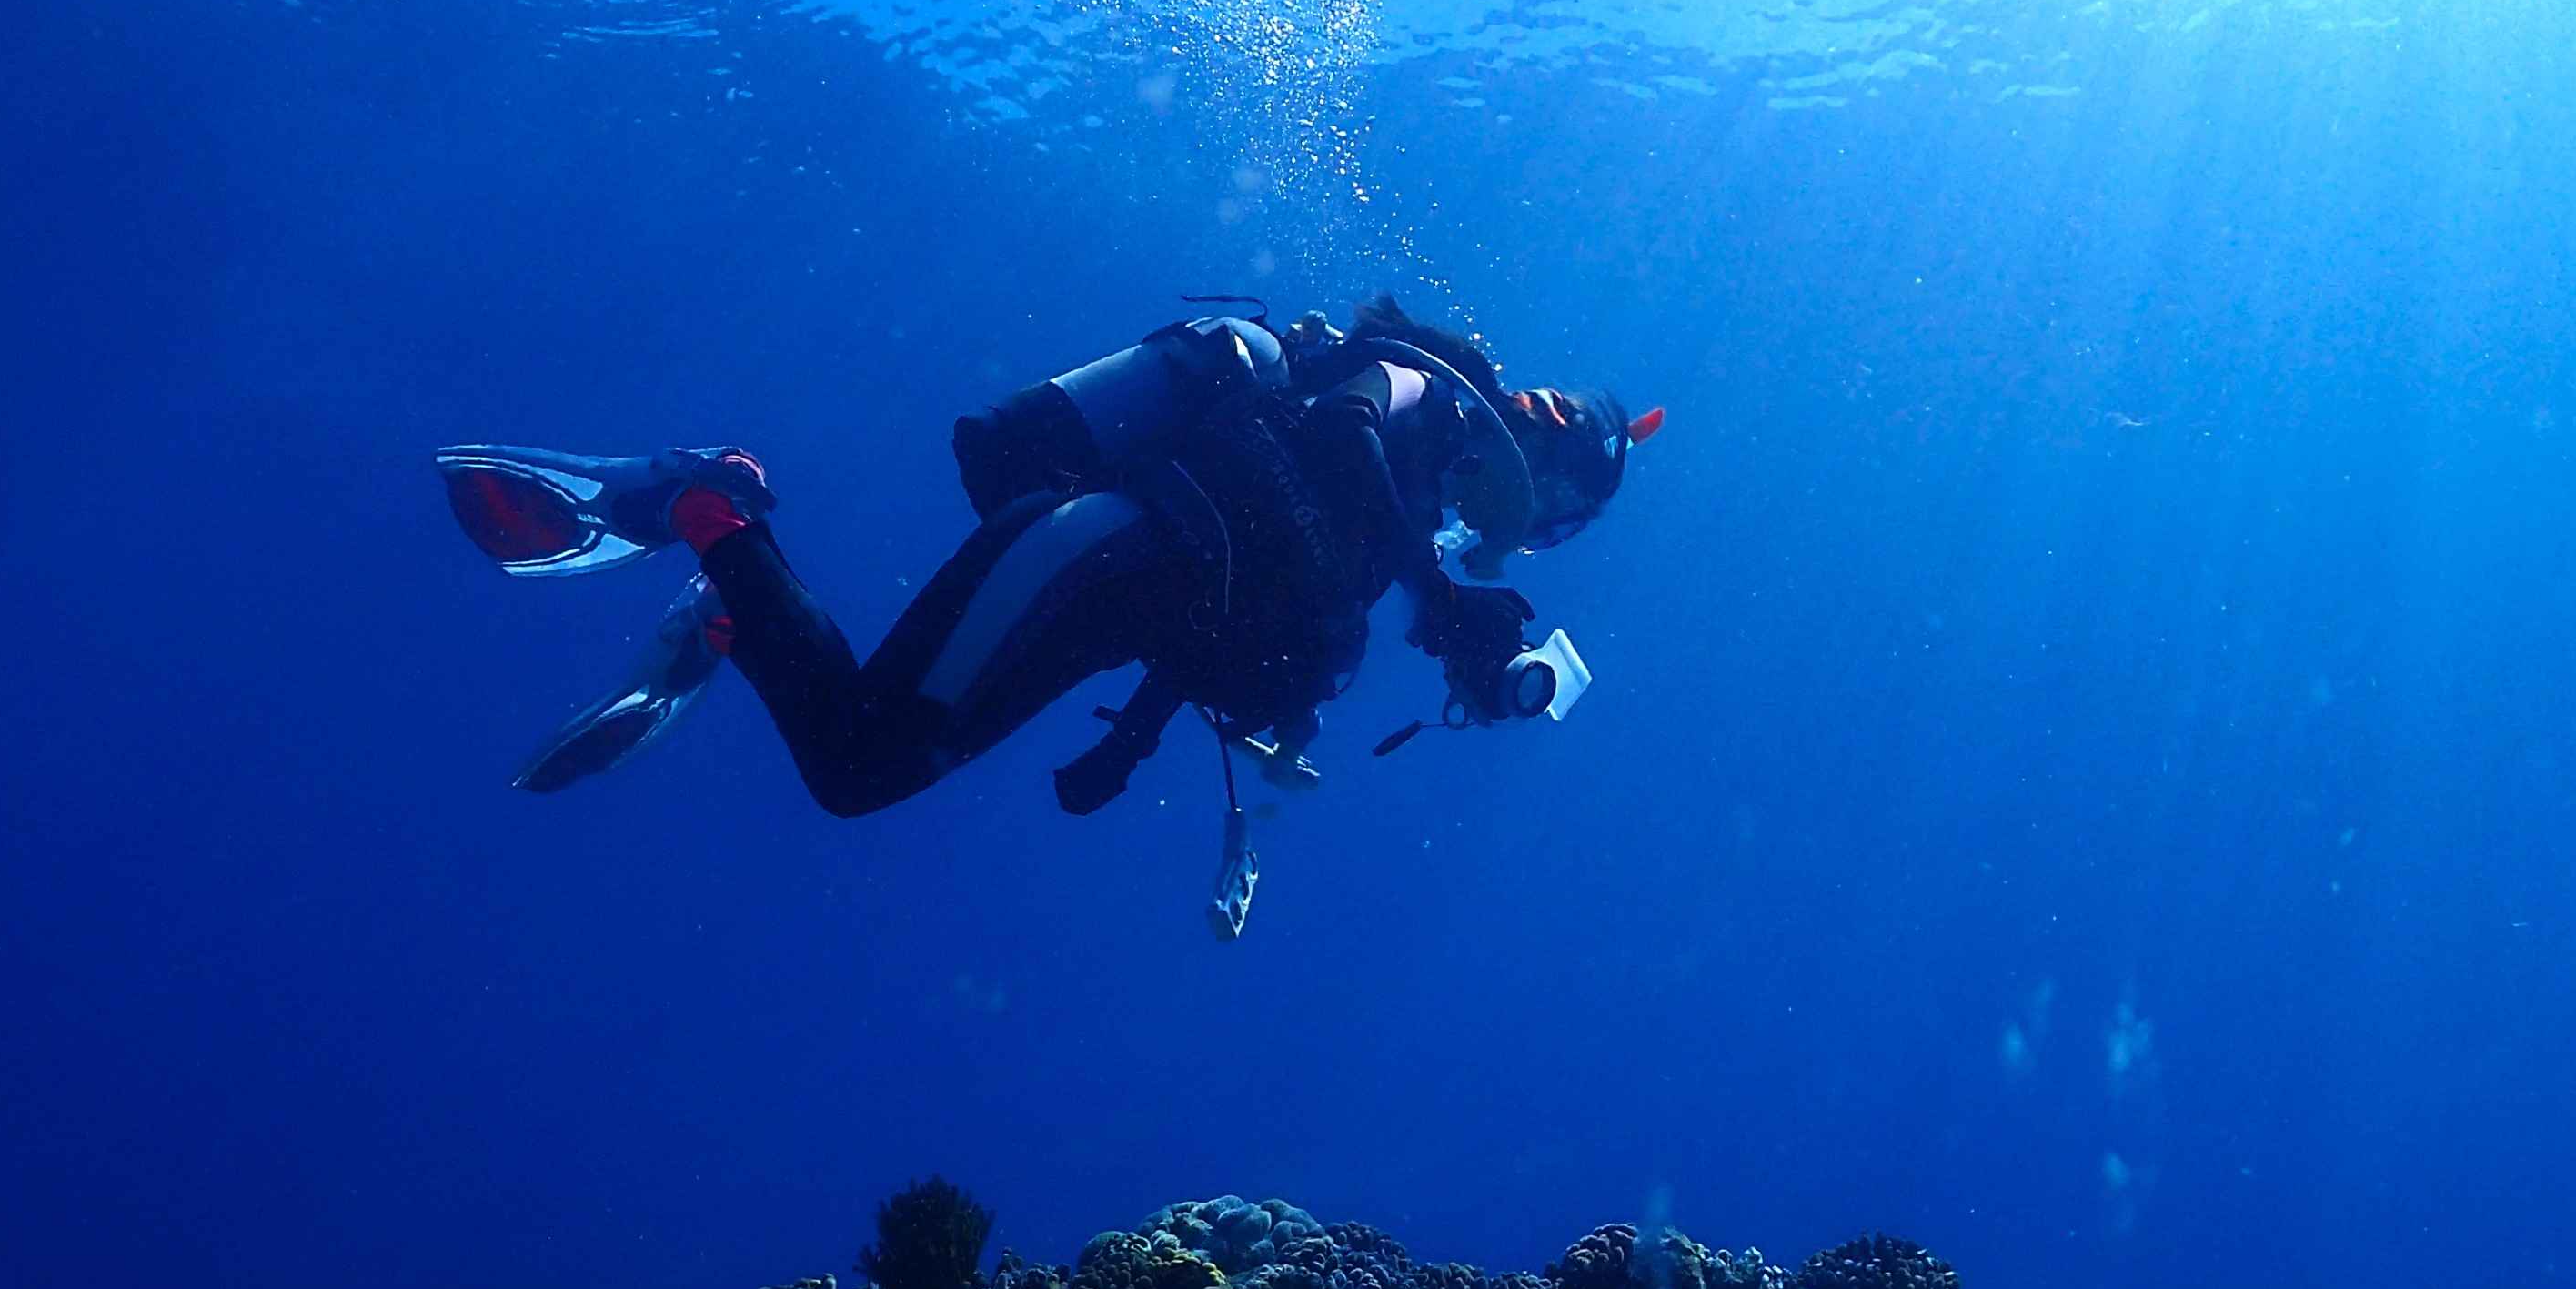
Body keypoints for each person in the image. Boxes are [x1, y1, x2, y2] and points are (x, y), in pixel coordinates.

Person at [437, 297, 1659, 921]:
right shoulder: (1427, 394)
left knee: (862, 762)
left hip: (1112, 595)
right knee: (861, 756)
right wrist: (1436, 600)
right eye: (1548, 508)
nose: (1518, 532)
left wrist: (1140, 740)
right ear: (1542, 462)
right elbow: (1331, 444)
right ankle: (714, 510)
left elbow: (1250, 603)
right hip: (1089, 548)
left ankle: (732, 596)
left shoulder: (1406, 512)